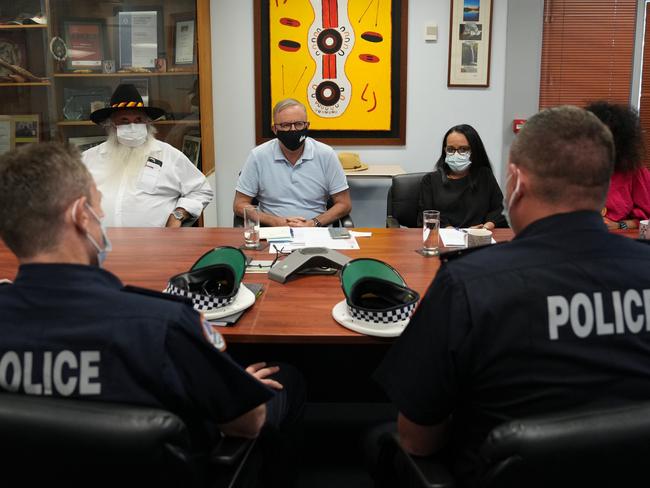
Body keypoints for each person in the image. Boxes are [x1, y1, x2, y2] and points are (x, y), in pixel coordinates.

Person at [375, 106, 650, 486]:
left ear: (517, 182)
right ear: (604, 186)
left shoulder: (467, 283)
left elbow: (417, 440)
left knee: (378, 440)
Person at [0, 142, 303, 483]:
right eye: (100, 211)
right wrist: (239, 386)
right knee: (287, 380)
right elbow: (247, 422)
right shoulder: (163, 325)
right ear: (81, 216)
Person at [83, 83, 213, 227]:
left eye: (138, 120)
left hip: (156, 245)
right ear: (111, 124)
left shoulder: (169, 155)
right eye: (124, 121)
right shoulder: (87, 159)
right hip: (100, 244)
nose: (132, 126)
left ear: (147, 122)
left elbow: (201, 190)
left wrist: (178, 215)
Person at [234, 98, 352, 227]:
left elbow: (344, 204)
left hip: (315, 231)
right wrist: (275, 221)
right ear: (274, 129)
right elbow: (240, 205)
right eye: (285, 125)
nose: (293, 130)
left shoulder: (326, 154)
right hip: (273, 232)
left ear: (307, 126)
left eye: (299, 124)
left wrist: (313, 223)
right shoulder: (258, 156)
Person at [417, 124, 507, 229]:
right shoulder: (430, 181)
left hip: (480, 238)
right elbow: (426, 216)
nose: (456, 154)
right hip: (444, 239)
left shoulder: (484, 176)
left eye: (463, 149)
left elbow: (499, 210)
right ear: (444, 150)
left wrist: (486, 227)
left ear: (475, 151)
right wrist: (456, 232)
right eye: (450, 149)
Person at [586, 101, 650, 230]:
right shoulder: (571, 171)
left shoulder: (635, 173)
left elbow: (648, 229)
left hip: (623, 245)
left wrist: (620, 225)